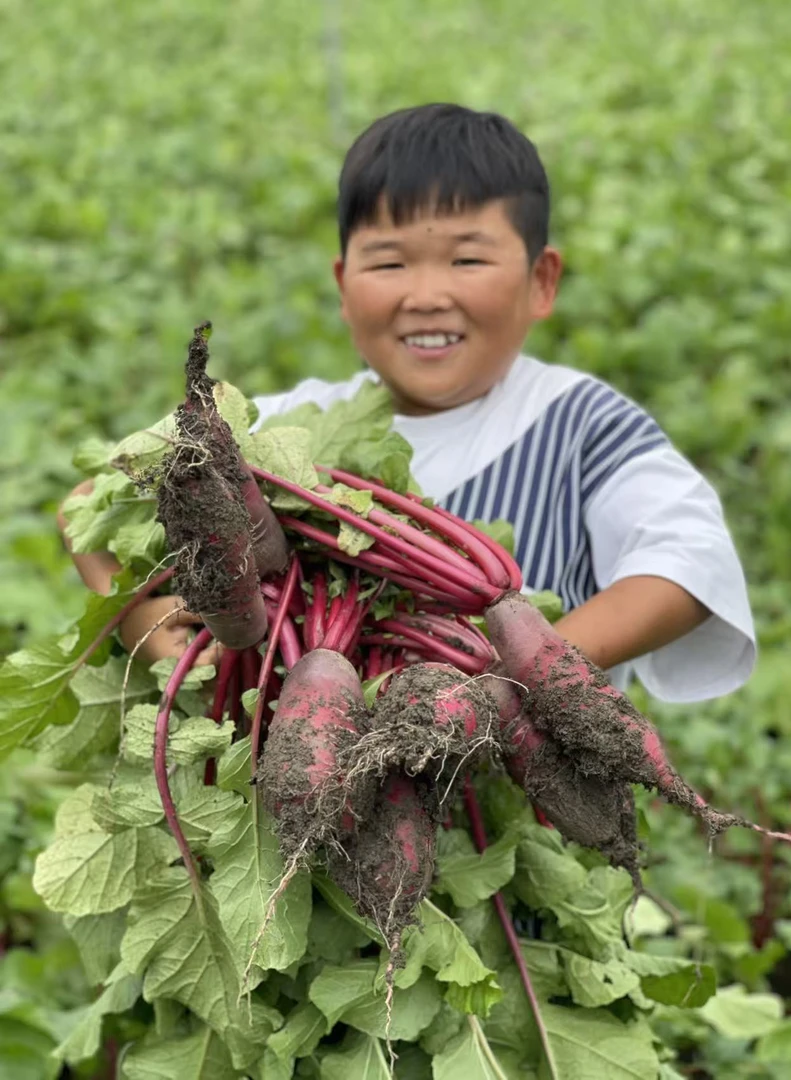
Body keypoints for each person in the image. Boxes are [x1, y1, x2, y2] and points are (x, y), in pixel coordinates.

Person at [58, 103, 755, 702]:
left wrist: (523, 677)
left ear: (541, 281)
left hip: (524, 786)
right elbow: (87, 507)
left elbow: (689, 564)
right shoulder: (286, 430)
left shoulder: (580, 425)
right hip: (305, 796)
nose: (425, 295)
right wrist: (143, 619)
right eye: (390, 263)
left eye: (467, 260)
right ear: (343, 286)